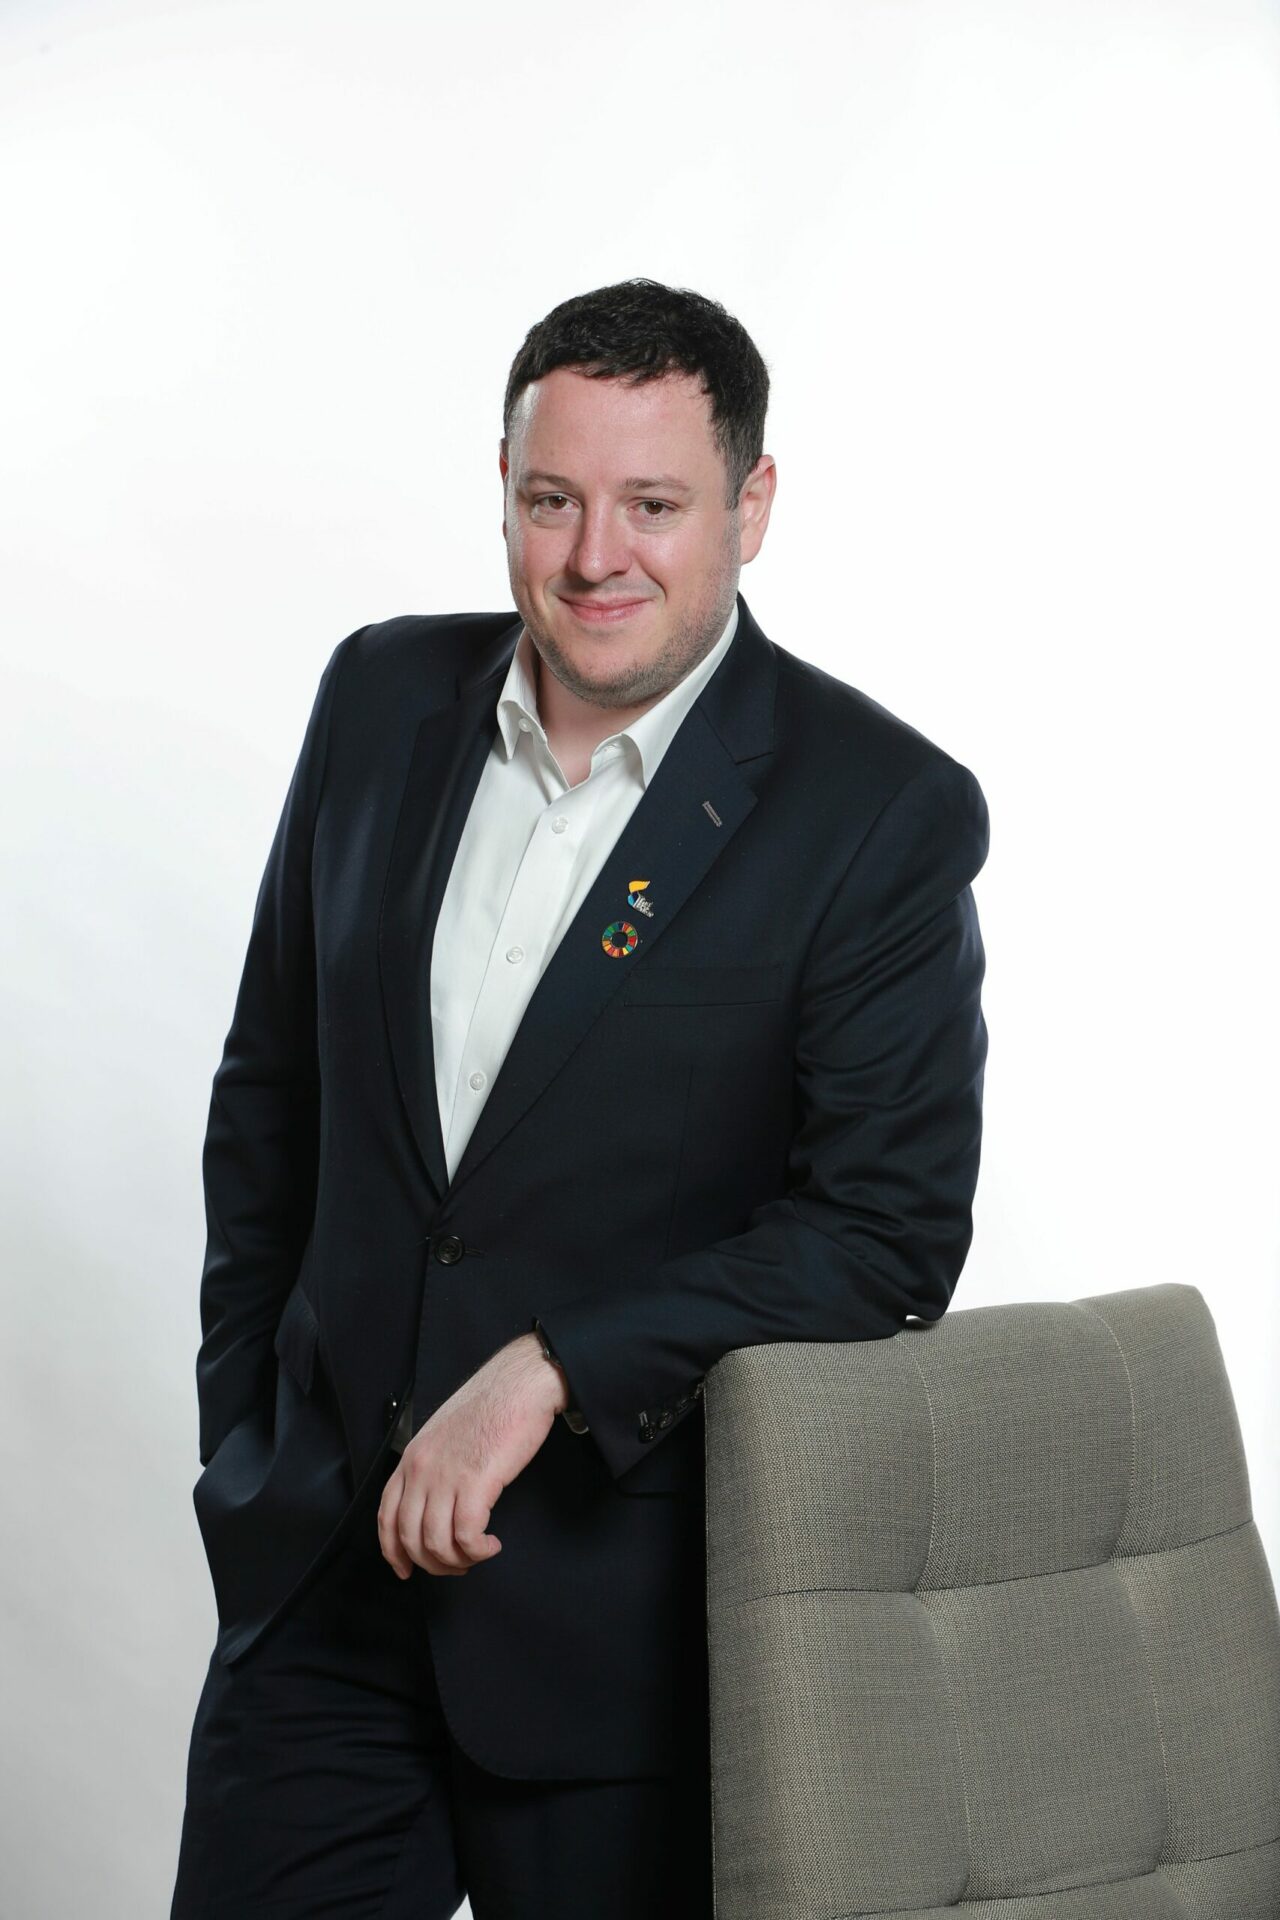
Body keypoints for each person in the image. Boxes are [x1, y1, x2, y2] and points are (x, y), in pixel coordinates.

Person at [170, 277, 990, 1919]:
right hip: (322, 1593)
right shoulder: (377, 698)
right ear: (504, 489)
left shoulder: (875, 811)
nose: (596, 554)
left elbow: (883, 1235)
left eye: (654, 506)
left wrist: (556, 1369)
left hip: (625, 1637)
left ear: (752, 506)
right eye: (554, 500)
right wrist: (248, 1448)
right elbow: (271, 1099)